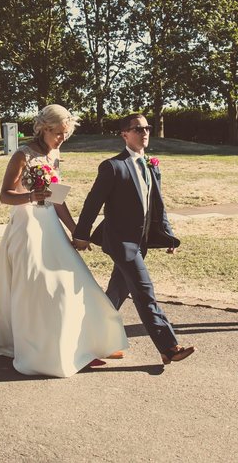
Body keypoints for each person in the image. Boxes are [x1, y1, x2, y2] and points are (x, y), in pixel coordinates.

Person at [0, 105, 128, 377]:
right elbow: (5, 196)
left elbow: (57, 198)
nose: (61, 139)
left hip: (51, 228)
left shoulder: (55, 154)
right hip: (27, 227)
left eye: (65, 134)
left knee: (75, 282)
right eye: (58, 133)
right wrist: (32, 197)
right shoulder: (22, 155)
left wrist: (76, 231)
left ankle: (92, 341)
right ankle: (41, 350)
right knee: (39, 288)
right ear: (43, 128)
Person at [72, 113, 195, 365]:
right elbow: (92, 203)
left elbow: (157, 206)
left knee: (114, 296)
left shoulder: (152, 165)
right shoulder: (113, 166)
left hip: (142, 242)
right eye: (137, 129)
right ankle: (169, 347)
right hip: (121, 242)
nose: (144, 132)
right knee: (144, 292)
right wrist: (81, 235)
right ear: (124, 134)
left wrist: (168, 236)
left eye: (147, 128)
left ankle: (87, 346)